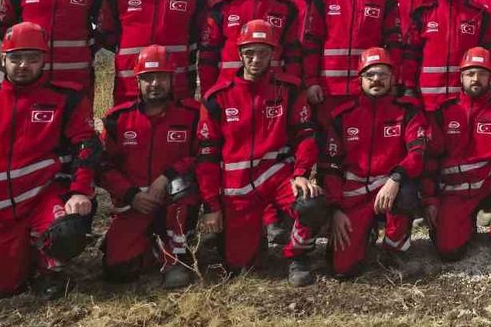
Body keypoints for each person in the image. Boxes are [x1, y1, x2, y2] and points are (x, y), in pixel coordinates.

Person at [0, 22, 98, 298]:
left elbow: (87, 147)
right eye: (16, 58)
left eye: (32, 58)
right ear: (3, 59)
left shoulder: (66, 98)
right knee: (6, 288)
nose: (23, 65)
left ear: (44, 61)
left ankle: (49, 267)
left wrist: (80, 191)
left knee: (69, 229)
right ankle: (16, 256)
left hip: (43, 198)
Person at [196, 20, 323, 286]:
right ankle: (254, 239)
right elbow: (206, 157)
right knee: (240, 266)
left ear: (273, 54)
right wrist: (212, 206)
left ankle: (297, 256)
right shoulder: (217, 97)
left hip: (277, 176)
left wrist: (301, 173)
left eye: (263, 52)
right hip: (237, 186)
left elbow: (306, 136)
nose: (256, 59)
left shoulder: (288, 88)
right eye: (249, 52)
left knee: (311, 202)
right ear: (240, 54)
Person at [322, 48, 430, 278]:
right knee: (342, 270)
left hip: (389, 188)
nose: (377, 80)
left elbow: (417, 153)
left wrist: (396, 178)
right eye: (370, 75)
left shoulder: (407, 112)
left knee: (407, 193)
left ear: (393, 78)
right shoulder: (342, 116)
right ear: (359, 79)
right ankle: (365, 234)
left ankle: (393, 249)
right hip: (355, 194)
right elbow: (329, 166)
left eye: (383, 74)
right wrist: (335, 208)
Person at [99, 45, 201, 288]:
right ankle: (148, 243)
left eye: (161, 77)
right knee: (118, 271)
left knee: (182, 184)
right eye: (148, 78)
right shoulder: (117, 120)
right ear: (138, 81)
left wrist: (167, 176)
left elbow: (202, 155)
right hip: (135, 203)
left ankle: (175, 257)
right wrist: (132, 195)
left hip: (173, 203)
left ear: (171, 79)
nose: (155, 84)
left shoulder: (191, 115)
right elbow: (103, 167)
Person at [422, 47, 491, 261]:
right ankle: (466, 224)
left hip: (488, 184)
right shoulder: (444, 111)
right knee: (449, 252)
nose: (476, 79)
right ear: (461, 77)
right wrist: (430, 200)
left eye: (482, 73)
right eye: (470, 73)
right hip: (455, 192)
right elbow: (431, 159)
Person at [305, 0, 402, 120]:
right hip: (329, 91)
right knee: (330, 145)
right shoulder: (324, 0)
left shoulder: (384, 0)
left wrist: (392, 81)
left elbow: (394, 46)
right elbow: (312, 45)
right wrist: (311, 82)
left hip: (369, 89)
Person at [198, 0, 302, 92]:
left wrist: (292, 87)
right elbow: (208, 56)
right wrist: (208, 92)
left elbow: (293, 54)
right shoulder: (221, 7)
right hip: (229, 91)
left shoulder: (286, 8)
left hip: (273, 90)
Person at [405, 0, 491, 111]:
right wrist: (409, 87)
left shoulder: (478, 15)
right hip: (429, 100)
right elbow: (411, 54)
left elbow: (489, 54)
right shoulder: (423, 13)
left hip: (464, 100)